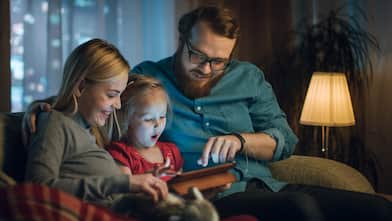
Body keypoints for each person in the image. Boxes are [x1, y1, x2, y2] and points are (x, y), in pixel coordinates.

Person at [24, 7, 392, 221]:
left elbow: (286, 140)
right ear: (181, 39)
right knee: (302, 210)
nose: (206, 68)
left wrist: (240, 141)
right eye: (197, 55)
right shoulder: (149, 76)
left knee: (376, 211)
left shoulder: (248, 77)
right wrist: (48, 105)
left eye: (219, 61)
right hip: (216, 196)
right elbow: (100, 92)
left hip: (269, 183)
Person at [24, 39, 168, 211]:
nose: (118, 105)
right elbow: (37, 189)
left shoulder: (96, 129)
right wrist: (125, 183)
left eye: (119, 96)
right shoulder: (54, 123)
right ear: (81, 86)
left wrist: (141, 194)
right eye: (111, 95)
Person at [106, 74, 183, 181]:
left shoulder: (172, 152)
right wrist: (146, 181)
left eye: (162, 116)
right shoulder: (121, 155)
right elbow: (123, 193)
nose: (157, 124)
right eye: (148, 119)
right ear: (126, 119)